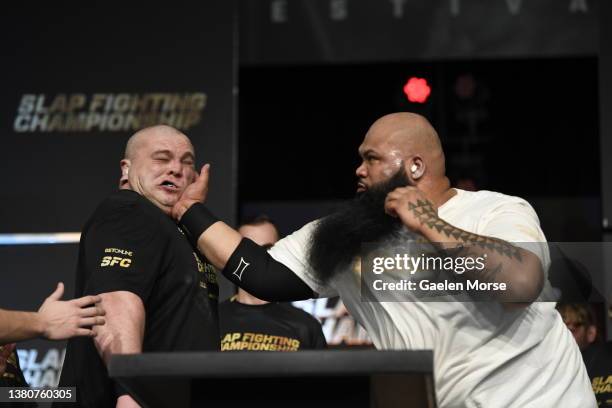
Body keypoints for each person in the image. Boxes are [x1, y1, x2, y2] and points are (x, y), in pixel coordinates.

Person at [173, 112, 596, 407]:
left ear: (414, 166)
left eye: (371, 158)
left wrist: (429, 225)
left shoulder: (496, 211)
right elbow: (263, 274)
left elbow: (520, 285)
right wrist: (190, 211)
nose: (358, 169)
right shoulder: (346, 236)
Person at [57, 125, 219, 408]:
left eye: (187, 162)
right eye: (161, 158)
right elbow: (114, 301)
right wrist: (130, 394)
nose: (176, 170)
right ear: (125, 170)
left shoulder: (178, 233)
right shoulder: (130, 210)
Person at [219, 216, 326, 351]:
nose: (256, 257)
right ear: (232, 253)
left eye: (267, 248)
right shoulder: (212, 321)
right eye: (248, 249)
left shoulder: (306, 326)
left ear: (281, 251)